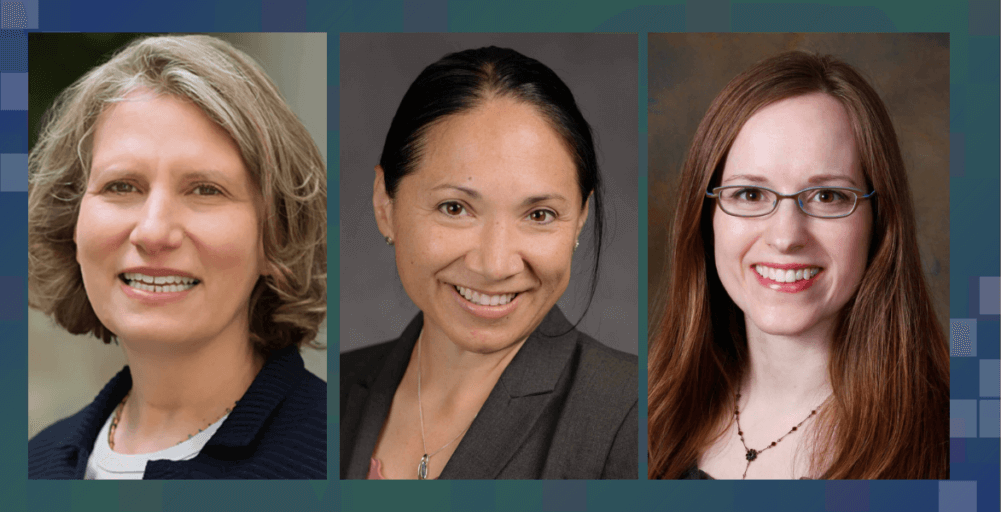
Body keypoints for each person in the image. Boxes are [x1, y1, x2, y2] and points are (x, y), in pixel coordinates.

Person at [27, 35, 327, 479]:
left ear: (276, 234)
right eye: (122, 186)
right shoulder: (31, 465)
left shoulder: (337, 459)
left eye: (205, 189)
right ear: (71, 221)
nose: (153, 232)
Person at [647, 51, 949, 480]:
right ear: (706, 216)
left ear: (880, 221)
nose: (786, 236)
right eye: (750, 194)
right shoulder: (641, 418)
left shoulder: (960, 443)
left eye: (827, 196)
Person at [340, 46, 637, 480]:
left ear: (580, 220)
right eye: (455, 208)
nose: (495, 265)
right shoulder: (336, 389)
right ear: (385, 203)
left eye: (539, 215)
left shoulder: (632, 415)